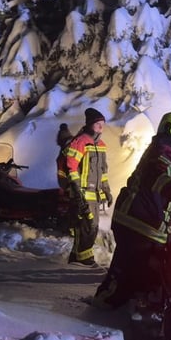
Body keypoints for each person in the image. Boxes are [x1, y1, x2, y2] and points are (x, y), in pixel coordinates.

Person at [92, 110, 171, 309]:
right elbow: (163, 175)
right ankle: (102, 312)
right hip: (139, 223)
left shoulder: (165, 154)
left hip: (146, 225)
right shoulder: (163, 152)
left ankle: (130, 306)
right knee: (125, 275)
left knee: (143, 274)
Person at [62, 108, 112, 266]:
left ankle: (79, 258)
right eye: (97, 124)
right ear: (90, 124)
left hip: (95, 195)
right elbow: (71, 166)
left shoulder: (101, 145)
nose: (100, 127)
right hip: (82, 194)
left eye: (102, 124)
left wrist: (107, 190)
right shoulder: (80, 142)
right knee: (86, 226)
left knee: (92, 227)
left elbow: (103, 171)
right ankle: (83, 260)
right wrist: (76, 189)